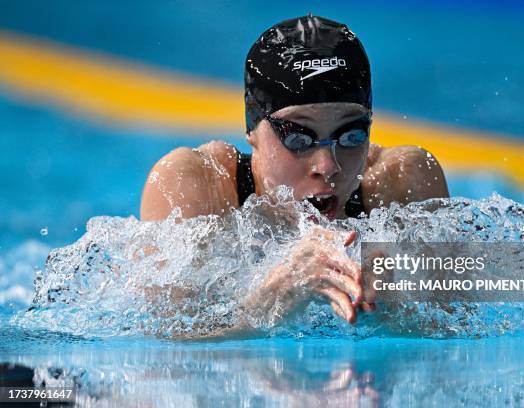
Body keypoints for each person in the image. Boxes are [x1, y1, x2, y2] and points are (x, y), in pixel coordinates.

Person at [140, 15, 449, 327]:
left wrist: (400, 296)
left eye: (351, 136)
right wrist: (274, 296)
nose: (328, 166)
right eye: (299, 138)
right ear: (252, 131)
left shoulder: (402, 181)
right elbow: (162, 349)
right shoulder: (196, 185)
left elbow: (462, 322)